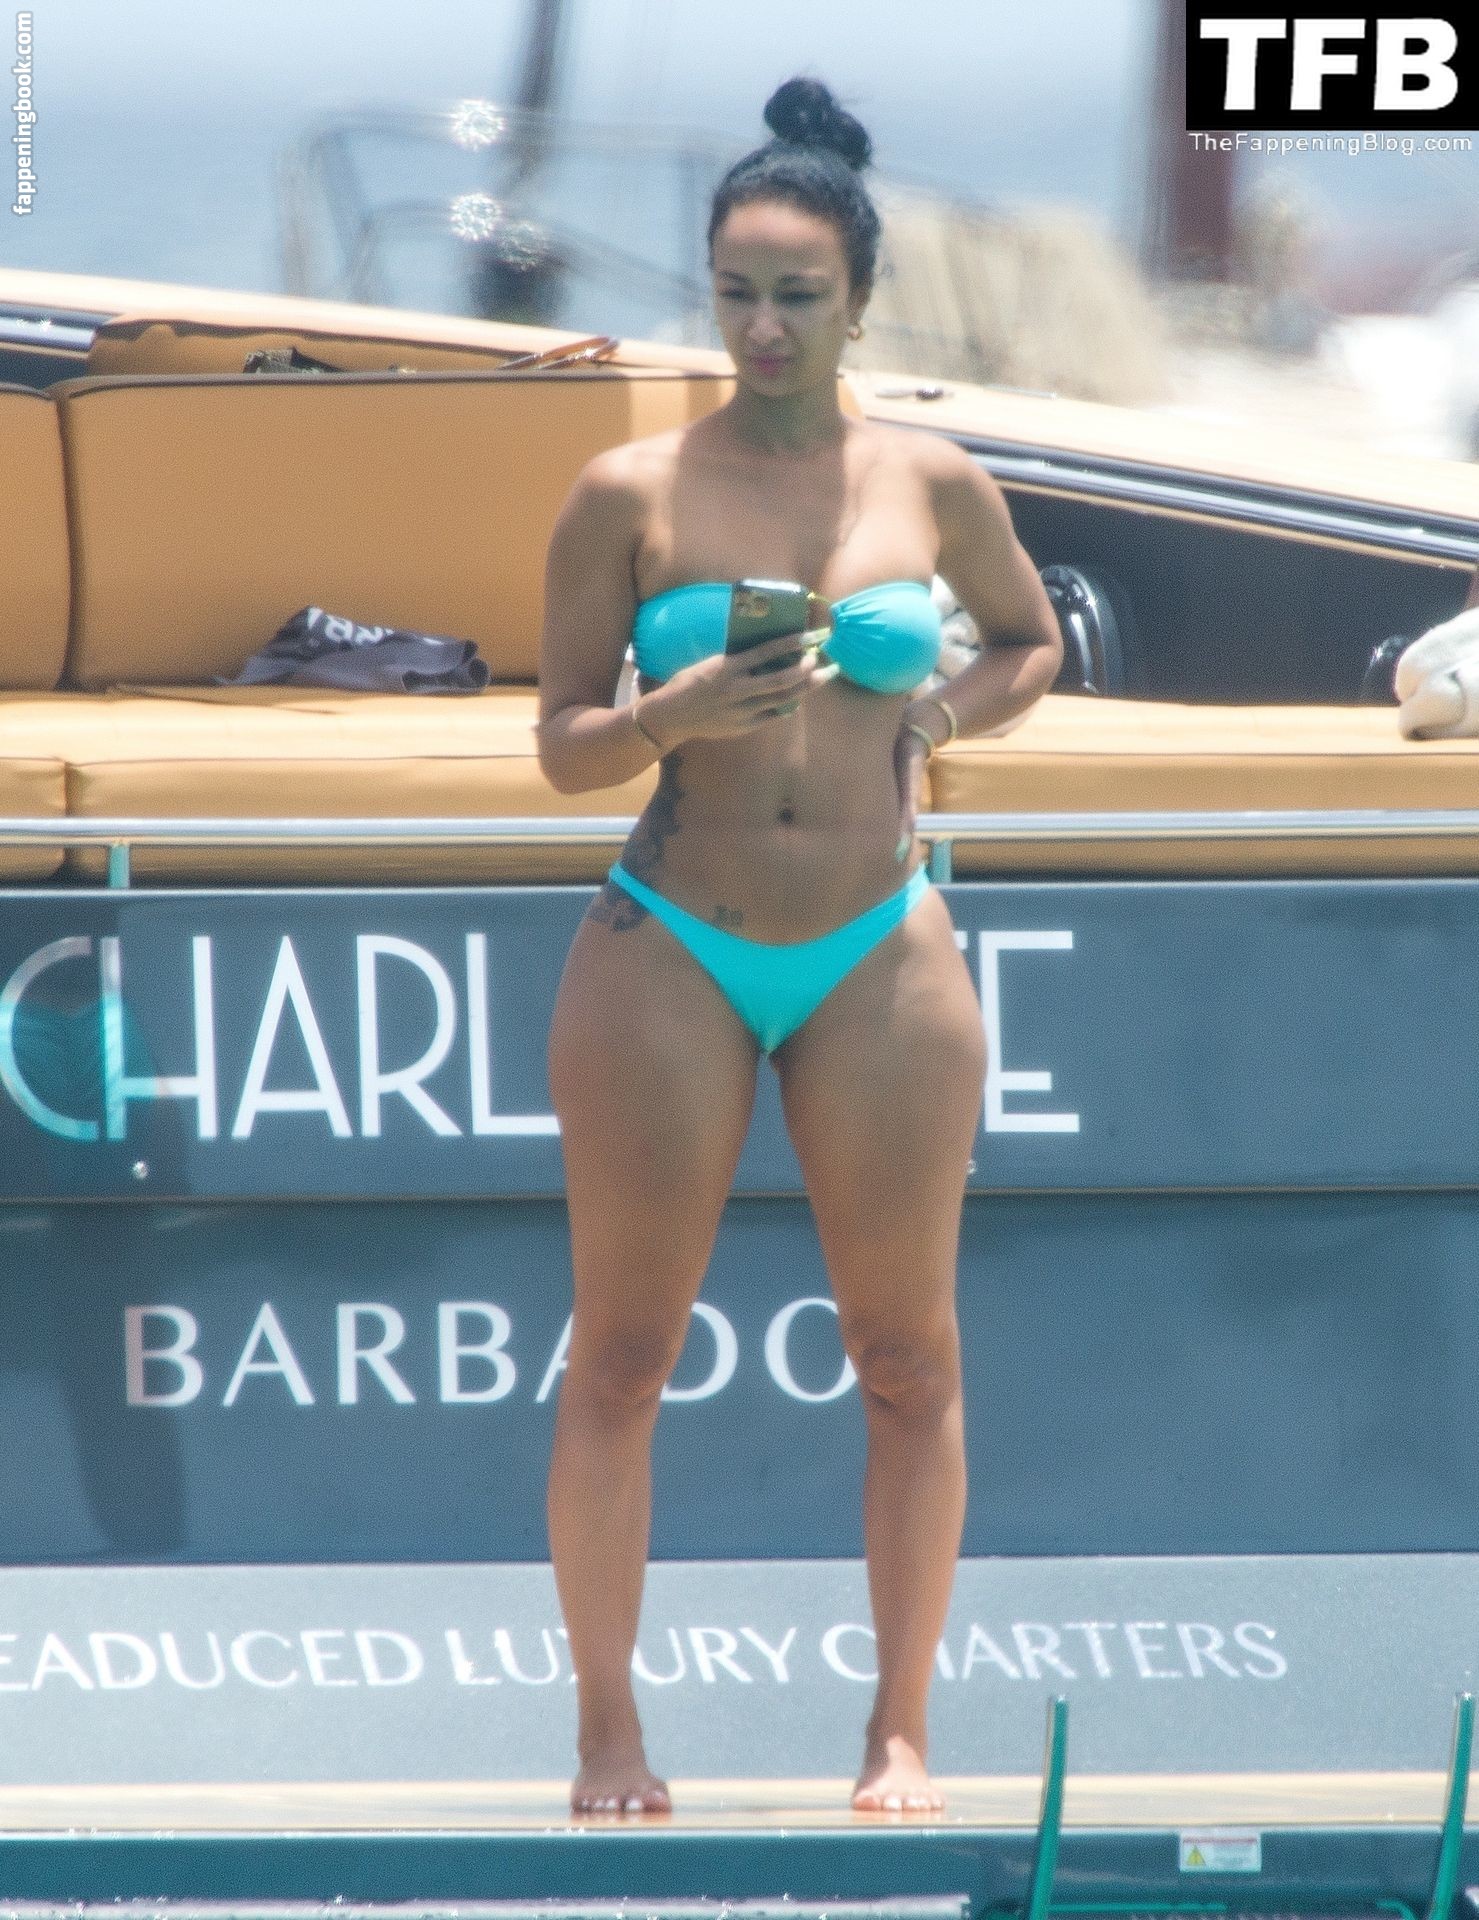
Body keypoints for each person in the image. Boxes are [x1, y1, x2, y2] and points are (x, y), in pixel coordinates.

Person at [536, 75, 1064, 1818]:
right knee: (623, 1356)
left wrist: (934, 723)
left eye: (798, 296)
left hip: (878, 942)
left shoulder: (930, 478)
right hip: (671, 937)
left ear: (859, 301)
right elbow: (560, 745)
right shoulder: (626, 489)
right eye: (737, 293)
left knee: (910, 1362)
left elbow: (1029, 642)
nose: (763, 327)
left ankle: (899, 1732)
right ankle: (608, 1735)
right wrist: (668, 711)